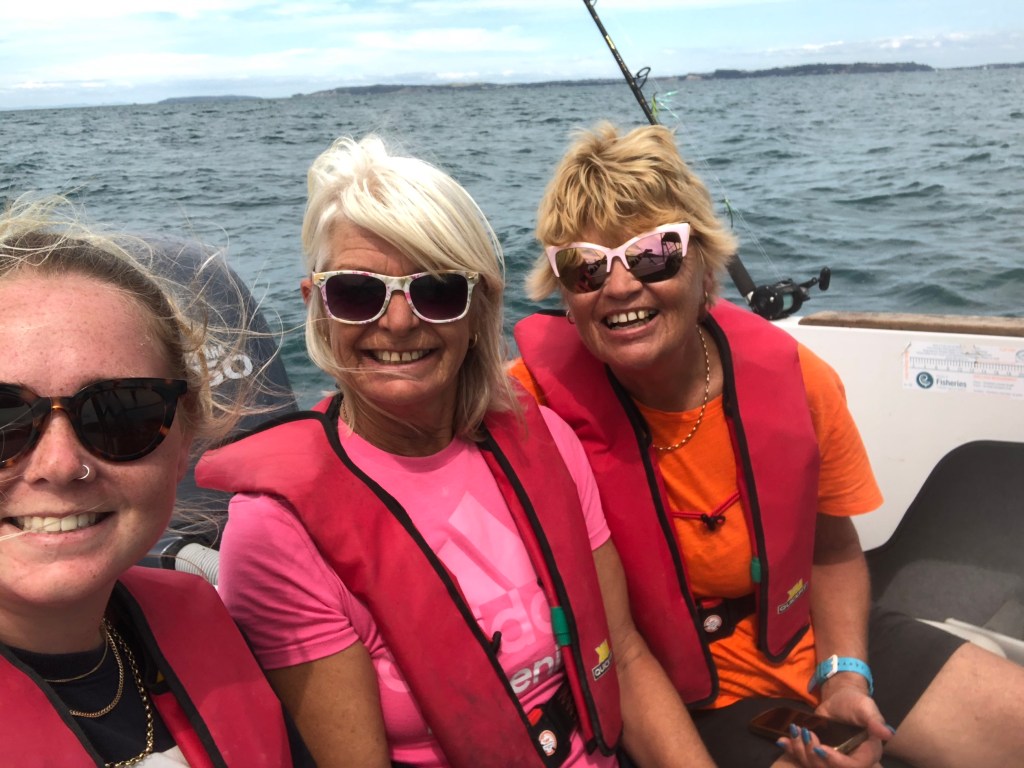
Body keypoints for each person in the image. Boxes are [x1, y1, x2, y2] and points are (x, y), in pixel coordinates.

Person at [510, 122, 1024, 768]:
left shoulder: (800, 380)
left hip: (810, 633)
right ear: (563, 292)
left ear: (705, 269)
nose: (618, 287)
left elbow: (831, 550)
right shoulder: (527, 412)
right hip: (676, 689)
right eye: (586, 267)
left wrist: (845, 675)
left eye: (653, 254)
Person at [197, 135, 715, 768]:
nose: (397, 322)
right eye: (357, 292)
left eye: (436, 290)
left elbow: (624, 660)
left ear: (476, 311)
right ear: (319, 307)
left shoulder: (547, 442)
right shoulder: (277, 534)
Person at [0, 196, 313, 767]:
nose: (61, 465)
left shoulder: (208, 628)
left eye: (122, 413)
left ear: (185, 437)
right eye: (5, 421)